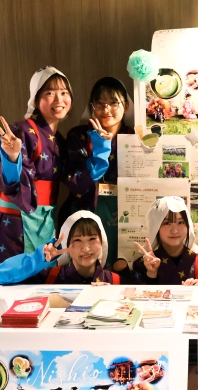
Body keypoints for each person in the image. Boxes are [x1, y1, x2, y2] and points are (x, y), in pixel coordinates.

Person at [0, 66, 84, 267]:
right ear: (36, 99)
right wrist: (12, 158)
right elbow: (9, 183)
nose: (59, 99)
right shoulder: (21, 131)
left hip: (44, 222)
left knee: (43, 279)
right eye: (49, 93)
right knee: (15, 280)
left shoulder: (60, 140)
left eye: (64, 92)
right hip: (17, 225)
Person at [63, 77, 135, 268]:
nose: (106, 109)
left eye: (113, 102)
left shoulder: (135, 138)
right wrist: (99, 152)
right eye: (100, 103)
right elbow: (74, 182)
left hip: (124, 212)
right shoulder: (78, 136)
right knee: (88, 266)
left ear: (126, 106)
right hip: (87, 210)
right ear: (92, 107)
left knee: (121, 265)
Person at [0, 211, 124, 293]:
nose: (86, 248)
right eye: (77, 240)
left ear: (103, 242)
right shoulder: (49, 278)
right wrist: (37, 259)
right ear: (66, 244)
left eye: (92, 239)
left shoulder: (116, 281)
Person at [131, 197, 198, 285]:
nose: (174, 231)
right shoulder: (142, 264)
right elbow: (135, 293)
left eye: (180, 222)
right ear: (156, 227)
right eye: (166, 223)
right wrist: (151, 274)